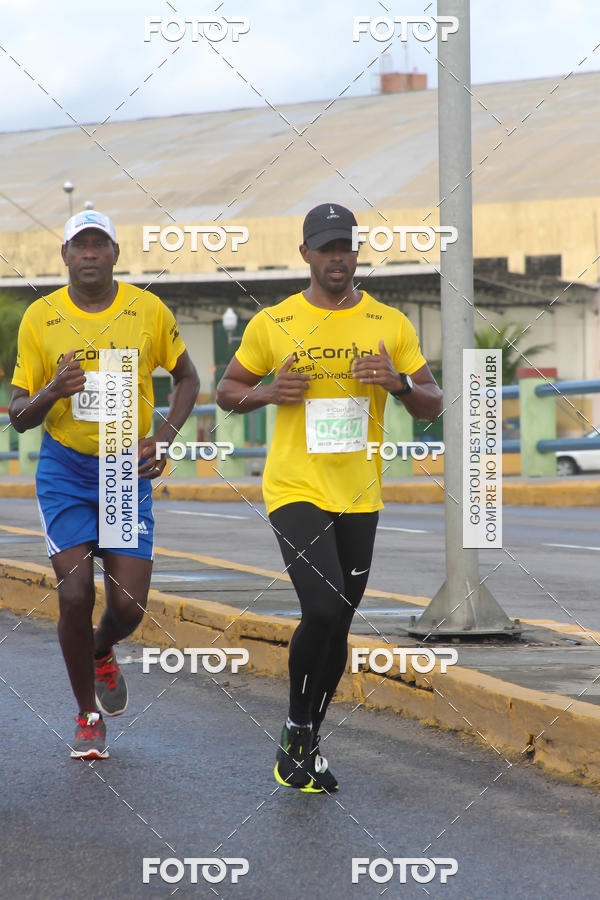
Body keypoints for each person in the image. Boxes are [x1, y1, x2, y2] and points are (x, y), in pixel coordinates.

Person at [216, 202, 442, 792]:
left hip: (360, 495)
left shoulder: (389, 323)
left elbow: (432, 401)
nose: (337, 257)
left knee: (338, 622)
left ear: (355, 252)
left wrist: (396, 382)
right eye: (326, 248)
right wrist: (268, 393)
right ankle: (297, 724)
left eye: (345, 246)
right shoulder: (275, 322)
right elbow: (226, 390)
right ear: (306, 255)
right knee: (320, 608)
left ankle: (305, 741)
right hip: (294, 487)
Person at [9, 210, 199, 760]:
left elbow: (186, 377)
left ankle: (101, 647)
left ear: (115, 252)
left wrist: (162, 437)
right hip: (65, 469)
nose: (89, 253)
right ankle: (88, 714)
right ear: (64, 256)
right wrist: (52, 390)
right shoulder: (40, 318)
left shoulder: (147, 310)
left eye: (99, 244)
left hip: (124, 468)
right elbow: (20, 415)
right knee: (74, 593)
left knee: (129, 607)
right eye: (79, 245)